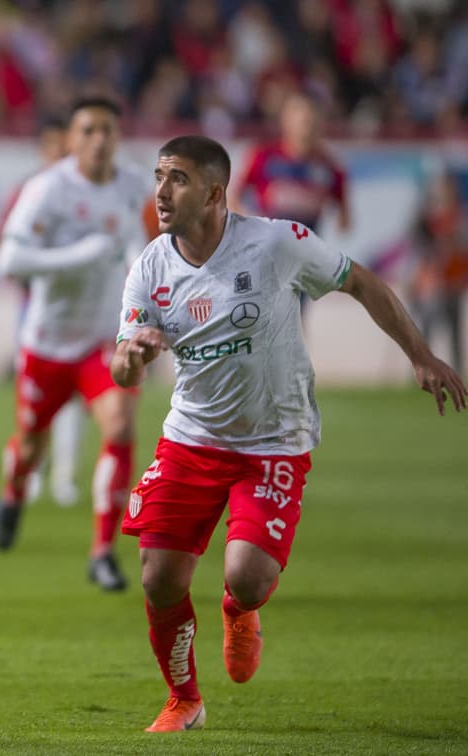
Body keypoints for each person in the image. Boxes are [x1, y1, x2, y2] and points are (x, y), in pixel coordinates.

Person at [111, 135, 465, 733]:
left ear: (215, 192)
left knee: (248, 577)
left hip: (273, 440)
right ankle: (185, 700)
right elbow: (120, 364)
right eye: (158, 177)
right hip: (191, 438)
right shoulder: (150, 265)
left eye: (177, 179)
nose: (162, 192)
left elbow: (361, 283)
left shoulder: (276, 243)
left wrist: (421, 354)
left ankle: (239, 610)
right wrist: (134, 356)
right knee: (158, 578)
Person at [0, 96, 152, 592]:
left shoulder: (134, 185)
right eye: (89, 130)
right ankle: (14, 489)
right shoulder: (47, 189)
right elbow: (8, 261)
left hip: (103, 340)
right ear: (71, 139)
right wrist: (81, 254)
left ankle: (103, 551)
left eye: (108, 129)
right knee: (31, 445)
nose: (99, 139)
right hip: (47, 343)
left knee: (120, 425)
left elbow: (140, 244)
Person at [0, 116, 86, 507]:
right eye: (53, 147)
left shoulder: (88, 195)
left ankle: (65, 476)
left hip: (82, 310)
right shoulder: (28, 192)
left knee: (75, 397)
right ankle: (31, 471)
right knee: (36, 397)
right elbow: (1, 248)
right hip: (37, 311)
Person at [232, 92, 350, 234]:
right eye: (301, 119)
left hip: (307, 249)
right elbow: (233, 197)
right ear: (285, 121)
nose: (306, 125)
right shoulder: (263, 156)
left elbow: (344, 220)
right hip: (268, 247)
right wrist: (248, 224)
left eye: (310, 119)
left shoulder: (329, 165)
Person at [410, 170, 468, 374]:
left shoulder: (458, 219)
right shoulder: (425, 219)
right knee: (427, 328)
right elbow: (418, 249)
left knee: (455, 330)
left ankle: (457, 371)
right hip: (432, 284)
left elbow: (461, 252)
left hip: (452, 282)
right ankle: (422, 369)